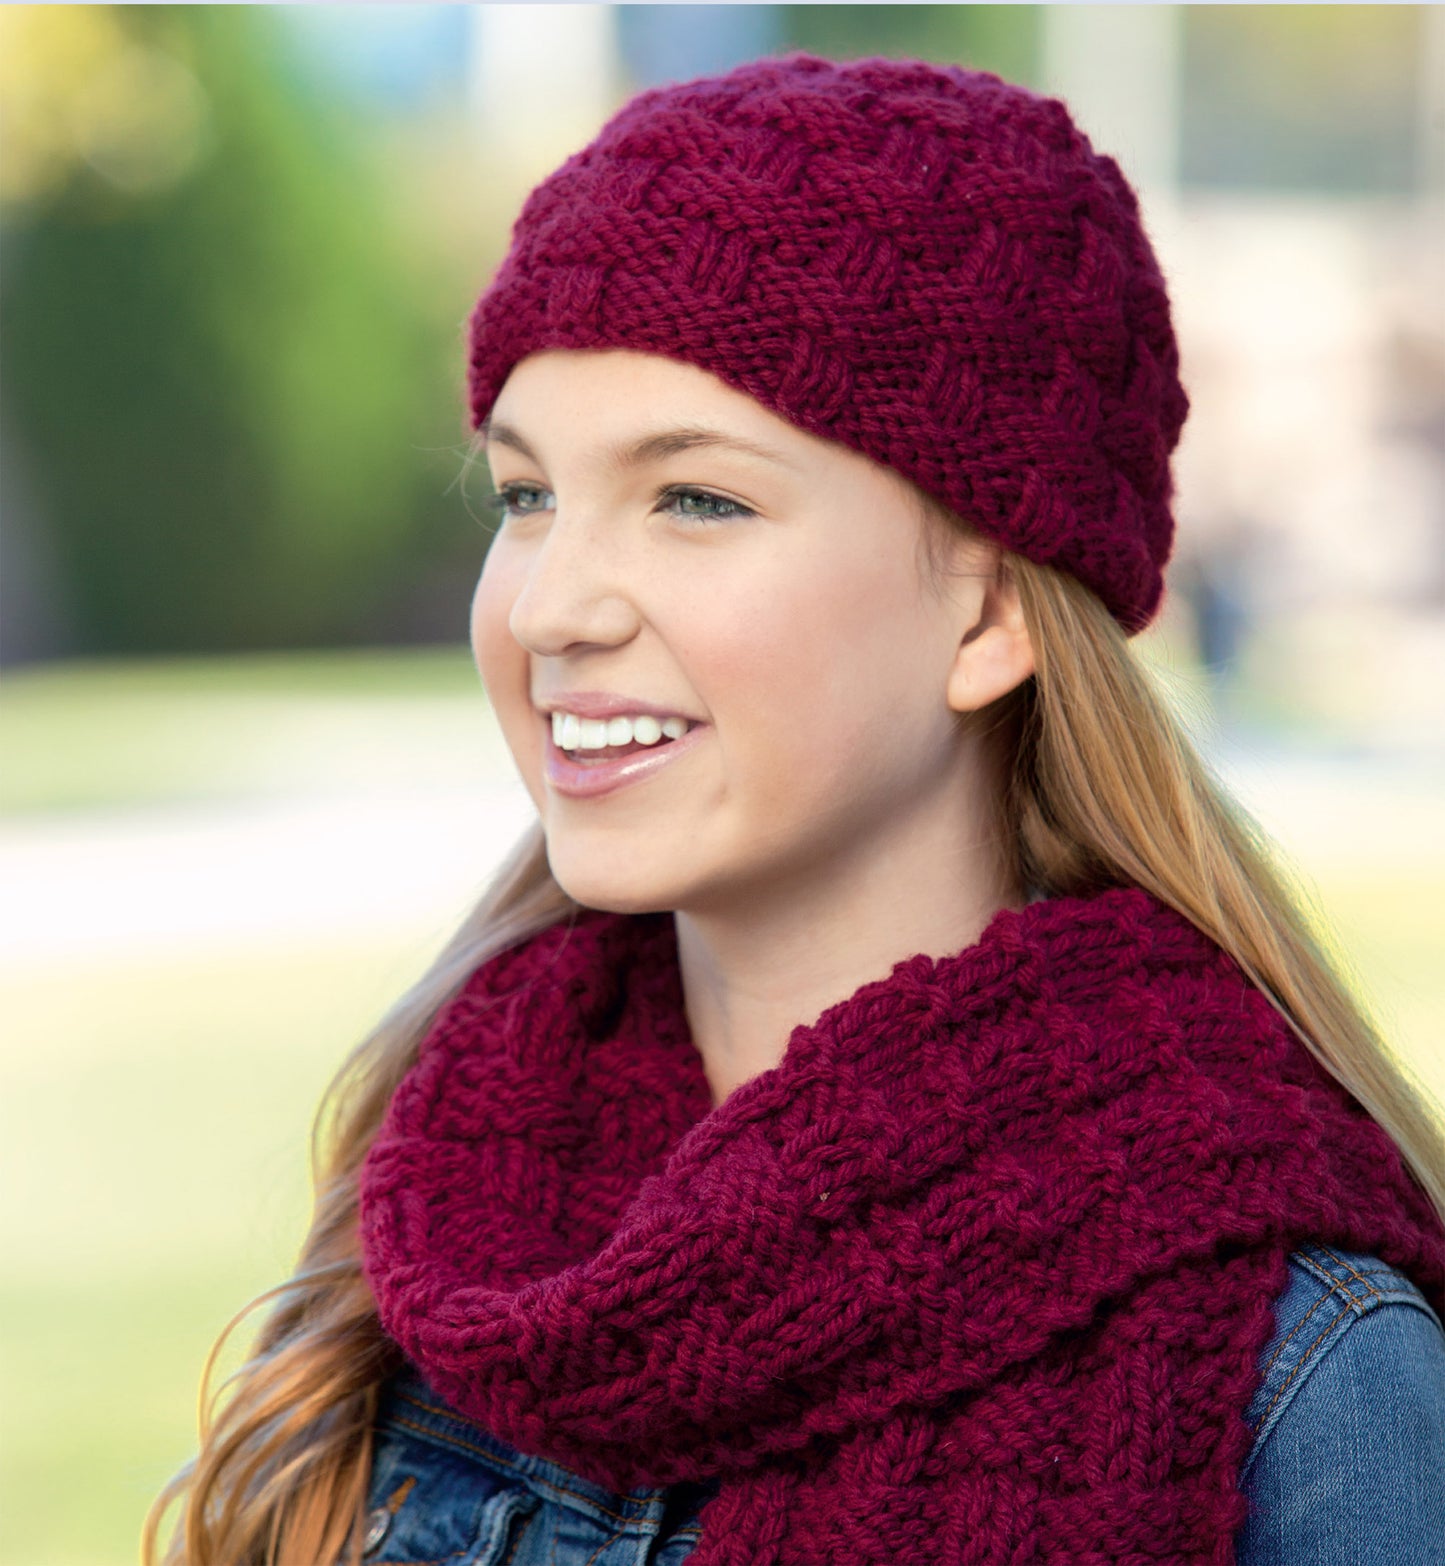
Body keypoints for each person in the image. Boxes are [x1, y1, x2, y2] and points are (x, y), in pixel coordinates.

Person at [144, 51, 1445, 1566]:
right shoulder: (442, 1222)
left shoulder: (1296, 1360)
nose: (553, 603)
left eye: (696, 497)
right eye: (523, 495)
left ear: (986, 616)